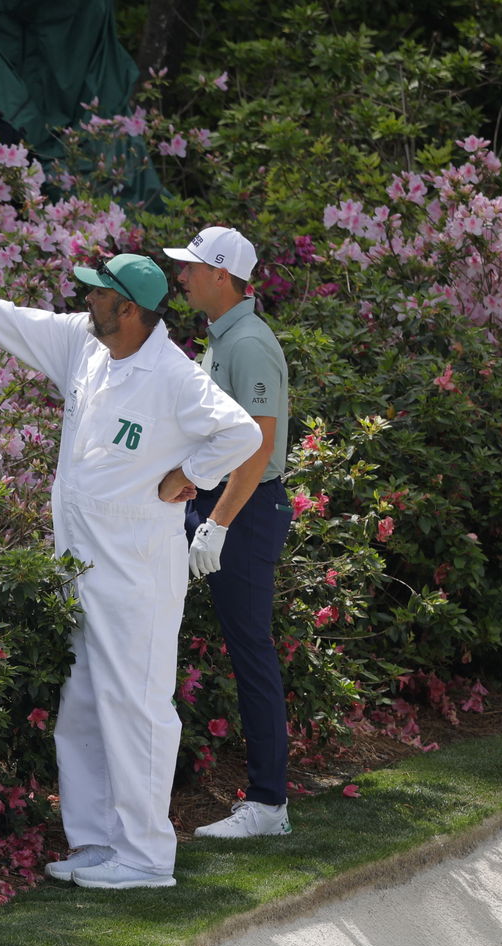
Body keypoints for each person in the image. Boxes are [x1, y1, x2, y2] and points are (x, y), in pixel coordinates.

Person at [0, 255, 261, 889]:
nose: (84, 299)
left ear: (129, 308)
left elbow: (240, 433)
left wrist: (189, 477)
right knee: (85, 708)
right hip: (80, 567)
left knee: (138, 710)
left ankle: (147, 859)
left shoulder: (174, 376)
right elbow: (1, 318)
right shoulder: (82, 342)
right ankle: (97, 843)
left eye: (97, 293)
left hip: (138, 576)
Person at [163, 226, 295, 838]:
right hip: (217, 506)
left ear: (221, 275)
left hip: (241, 512)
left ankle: (269, 805)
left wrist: (217, 524)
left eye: (191, 268)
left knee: (251, 654)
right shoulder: (221, 340)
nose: (181, 276)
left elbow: (259, 446)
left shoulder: (248, 344)